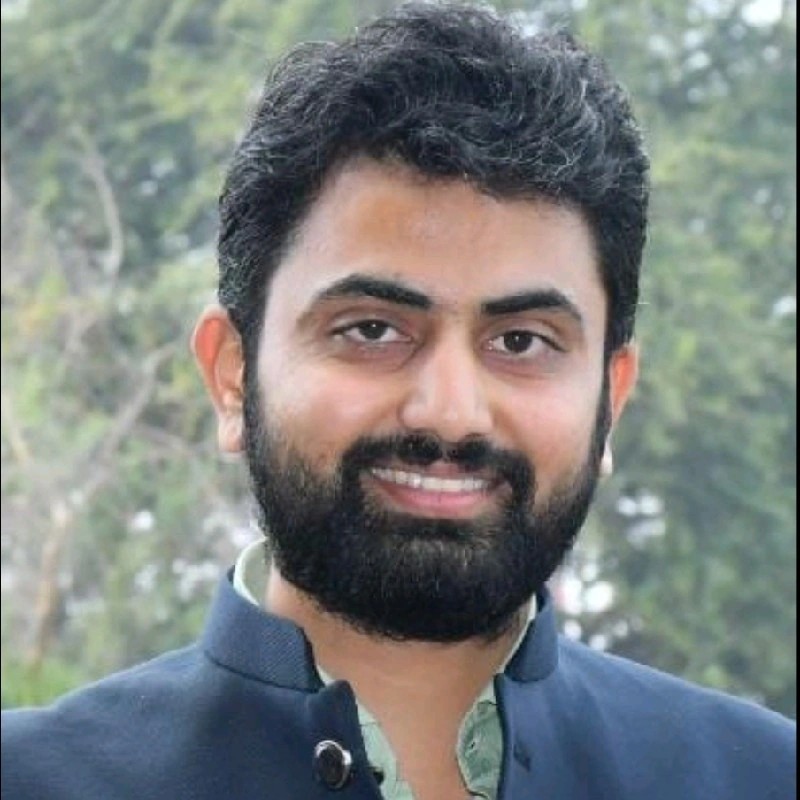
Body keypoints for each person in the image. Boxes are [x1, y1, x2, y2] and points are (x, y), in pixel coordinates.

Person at [2, 2, 795, 799]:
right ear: (233, 374)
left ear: (610, 397)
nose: (450, 413)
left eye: (522, 341)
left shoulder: (759, 777)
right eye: (373, 329)